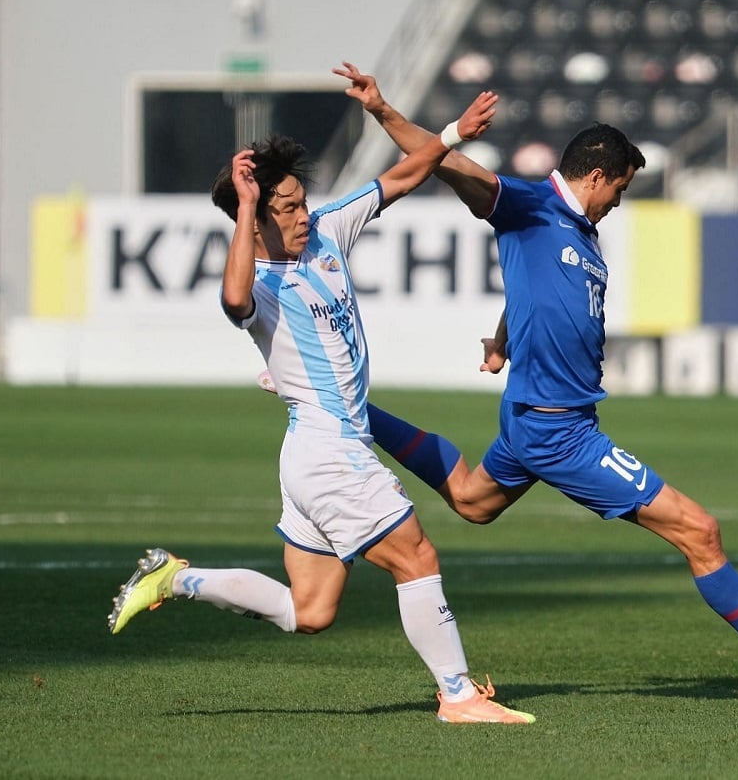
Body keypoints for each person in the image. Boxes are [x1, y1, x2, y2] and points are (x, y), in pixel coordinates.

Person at [325, 61, 738, 707]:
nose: (617, 203)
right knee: (701, 531)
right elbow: (440, 164)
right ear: (597, 175)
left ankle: (354, 409)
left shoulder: (581, 234)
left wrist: (503, 337)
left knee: (470, 499)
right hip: (560, 432)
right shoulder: (529, 204)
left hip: (534, 420)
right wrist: (392, 113)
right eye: (621, 190)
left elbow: (537, 293)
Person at [107, 71, 535, 725]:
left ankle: (174, 577)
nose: (302, 216)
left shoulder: (328, 231)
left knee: (310, 613)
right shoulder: (261, 286)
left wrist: (446, 133)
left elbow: (402, 177)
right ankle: (457, 696)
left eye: (301, 203)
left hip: (311, 457)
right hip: (330, 453)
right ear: (256, 221)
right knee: (416, 556)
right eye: (286, 210)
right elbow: (230, 301)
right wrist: (248, 210)